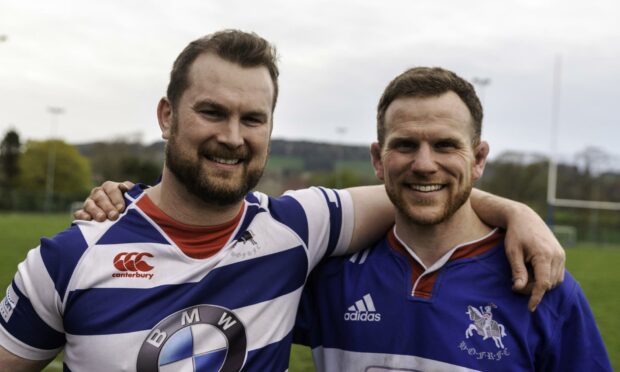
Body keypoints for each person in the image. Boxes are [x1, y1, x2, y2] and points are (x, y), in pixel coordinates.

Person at [0, 30, 564, 371]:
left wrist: (518, 212)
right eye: (212, 111)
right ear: (167, 116)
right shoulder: (66, 262)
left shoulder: (298, 226)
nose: (233, 136)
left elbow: (419, 185)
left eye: (253, 118)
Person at [293, 67, 611, 371]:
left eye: (445, 145)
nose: (424, 164)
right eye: (405, 145)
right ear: (378, 159)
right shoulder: (328, 275)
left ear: (479, 159)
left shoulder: (542, 284)